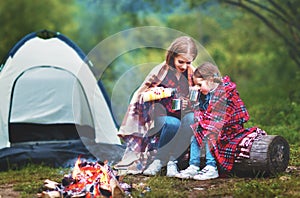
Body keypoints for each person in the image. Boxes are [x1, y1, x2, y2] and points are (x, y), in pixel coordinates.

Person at [116, 36, 198, 177]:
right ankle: (159, 160)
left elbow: (198, 98)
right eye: (181, 62)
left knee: (191, 119)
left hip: (182, 115)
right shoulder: (161, 71)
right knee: (173, 123)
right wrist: (158, 94)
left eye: (188, 62)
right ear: (172, 56)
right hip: (160, 117)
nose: (184, 66)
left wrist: (188, 103)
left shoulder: (192, 73)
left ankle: (173, 162)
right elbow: (141, 95)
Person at [175, 62, 266, 180]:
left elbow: (227, 115)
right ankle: (193, 165)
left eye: (199, 84)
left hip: (229, 127)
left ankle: (211, 167)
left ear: (211, 79)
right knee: (197, 129)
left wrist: (205, 121)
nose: (197, 88)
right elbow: (203, 112)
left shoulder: (226, 92)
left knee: (207, 131)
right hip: (213, 124)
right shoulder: (205, 92)